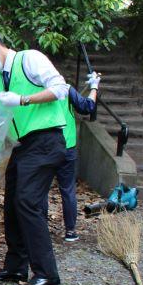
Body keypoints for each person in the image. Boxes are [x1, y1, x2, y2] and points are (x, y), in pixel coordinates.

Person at [0, 31, 69, 285]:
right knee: (12, 201)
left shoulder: (29, 59)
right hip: (24, 145)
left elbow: (60, 89)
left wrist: (23, 99)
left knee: (27, 201)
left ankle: (47, 275)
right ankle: (15, 268)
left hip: (48, 139)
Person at [58, 73, 100, 242]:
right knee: (67, 189)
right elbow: (87, 106)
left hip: (44, 147)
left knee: (42, 189)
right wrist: (94, 87)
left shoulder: (35, 91)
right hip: (66, 146)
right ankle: (70, 231)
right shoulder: (65, 88)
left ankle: (40, 229)